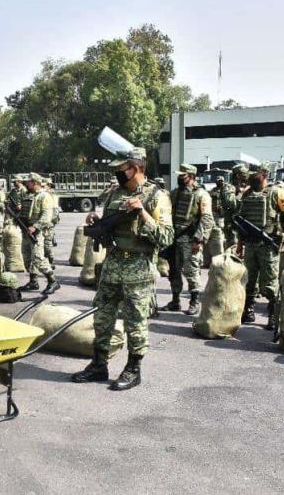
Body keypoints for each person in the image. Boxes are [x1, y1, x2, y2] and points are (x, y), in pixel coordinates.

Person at [72, 148, 173, 390]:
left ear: (136, 168)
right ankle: (99, 365)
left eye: (121, 169)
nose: (117, 173)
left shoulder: (156, 196)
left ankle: (133, 369)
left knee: (135, 321)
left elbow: (167, 237)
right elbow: (110, 227)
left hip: (138, 267)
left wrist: (143, 213)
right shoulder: (114, 194)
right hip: (112, 263)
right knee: (102, 316)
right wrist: (97, 223)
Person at [237, 163, 284, 329]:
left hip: (268, 244)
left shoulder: (276, 193)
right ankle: (248, 310)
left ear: (264, 175)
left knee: (270, 281)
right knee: (248, 279)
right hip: (250, 244)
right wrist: (240, 243)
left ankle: (273, 315)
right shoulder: (247, 194)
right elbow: (242, 221)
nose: (252, 178)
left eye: (255, 175)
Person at [161, 164, 214, 315]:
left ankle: (194, 301)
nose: (179, 178)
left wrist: (199, 239)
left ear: (191, 176)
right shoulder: (175, 193)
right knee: (174, 271)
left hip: (190, 239)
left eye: (182, 175)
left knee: (191, 271)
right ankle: (175, 301)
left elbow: (207, 219)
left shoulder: (201, 195)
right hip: (174, 238)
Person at [18, 173, 60, 294]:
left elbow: (47, 215)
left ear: (35, 182)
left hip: (38, 232)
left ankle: (53, 281)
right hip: (26, 230)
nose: (26, 184)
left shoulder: (44, 196)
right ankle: (33, 282)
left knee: (38, 258)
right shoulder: (29, 196)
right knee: (27, 258)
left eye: (28, 182)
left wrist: (35, 226)